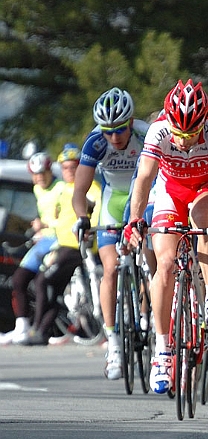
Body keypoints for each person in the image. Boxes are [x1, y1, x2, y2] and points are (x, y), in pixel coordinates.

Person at [127, 79, 208, 394]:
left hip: (207, 188)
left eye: (192, 134)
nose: (185, 141)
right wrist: (136, 219)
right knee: (164, 265)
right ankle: (162, 351)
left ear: (204, 123)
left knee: (203, 219)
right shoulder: (159, 132)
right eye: (180, 133)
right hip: (171, 191)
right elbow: (145, 179)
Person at [73, 87, 149, 379]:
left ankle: (147, 318)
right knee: (111, 268)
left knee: (152, 259)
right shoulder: (95, 142)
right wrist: (82, 217)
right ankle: (113, 342)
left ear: (130, 122)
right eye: (108, 131)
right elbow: (80, 191)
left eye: (119, 129)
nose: (114, 137)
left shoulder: (146, 135)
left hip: (143, 199)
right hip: (112, 202)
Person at [17, 146, 101, 345]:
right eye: (65, 168)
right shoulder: (65, 188)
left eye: (74, 167)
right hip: (61, 245)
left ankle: (39, 329)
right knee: (52, 288)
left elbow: (97, 210)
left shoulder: (90, 186)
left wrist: (92, 230)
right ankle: (41, 331)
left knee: (43, 282)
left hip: (75, 246)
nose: (69, 171)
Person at [3, 152, 65, 345]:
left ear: (49, 171)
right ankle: (21, 326)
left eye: (43, 173)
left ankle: (42, 328)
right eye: (35, 174)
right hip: (43, 241)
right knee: (19, 279)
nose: (39, 178)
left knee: (43, 283)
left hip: (59, 240)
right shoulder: (38, 189)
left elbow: (67, 219)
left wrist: (45, 225)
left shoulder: (61, 188)